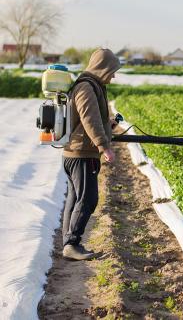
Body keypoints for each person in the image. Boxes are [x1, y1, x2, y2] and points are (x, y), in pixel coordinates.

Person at [62, 48, 120, 260]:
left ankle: (69, 243)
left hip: (75, 152)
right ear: (102, 68)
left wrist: (109, 125)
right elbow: (89, 120)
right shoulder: (86, 87)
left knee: (75, 197)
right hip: (82, 154)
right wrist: (104, 146)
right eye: (112, 71)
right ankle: (71, 244)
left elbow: (92, 119)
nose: (113, 75)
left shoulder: (88, 85)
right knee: (88, 198)